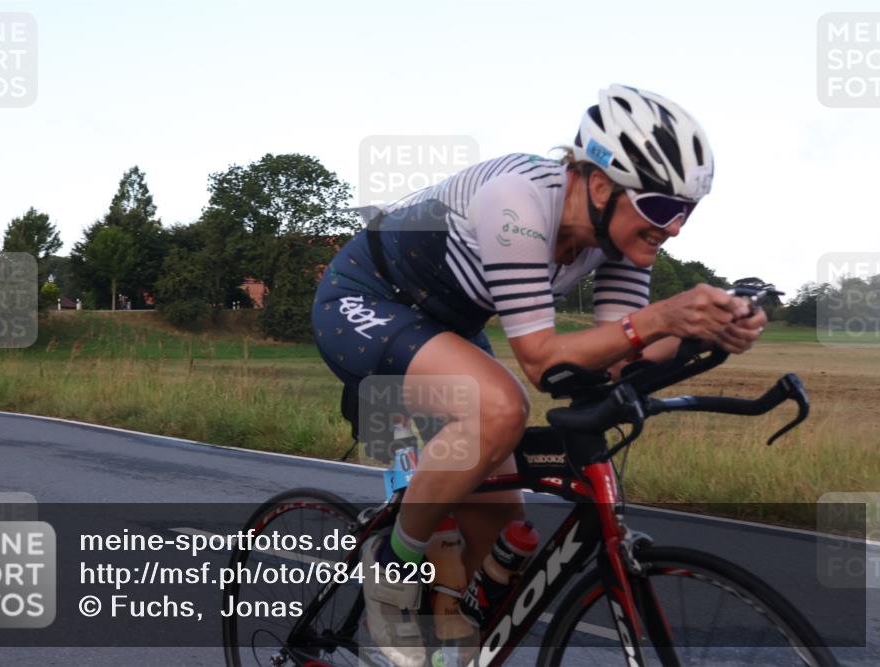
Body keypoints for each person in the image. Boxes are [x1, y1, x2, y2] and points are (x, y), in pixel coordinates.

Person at [311, 84, 766, 666]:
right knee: (501, 408)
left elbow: (623, 349)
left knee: (502, 528)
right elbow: (542, 359)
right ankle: (393, 565)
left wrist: (711, 327)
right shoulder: (519, 203)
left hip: (446, 323)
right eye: (660, 208)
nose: (674, 227)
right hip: (367, 301)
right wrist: (660, 319)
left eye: (686, 211)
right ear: (600, 185)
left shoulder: (619, 241)